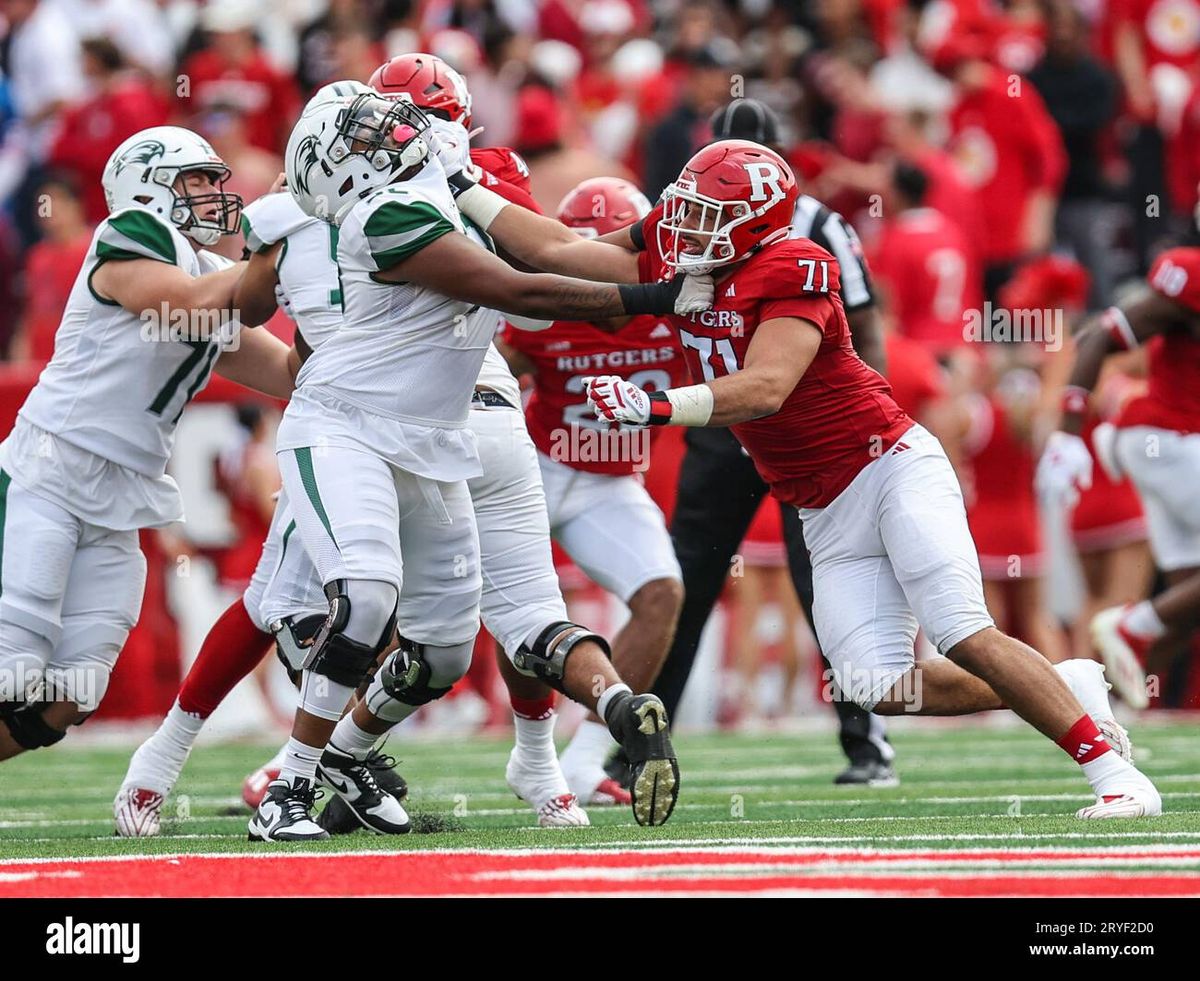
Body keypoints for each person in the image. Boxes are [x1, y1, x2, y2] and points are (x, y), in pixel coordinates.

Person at [447, 137, 1163, 819]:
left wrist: (656, 405)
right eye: (684, 210)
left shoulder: (795, 265)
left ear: (754, 221)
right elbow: (557, 250)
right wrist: (460, 186)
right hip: (821, 505)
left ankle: (1116, 773)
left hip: (886, 469)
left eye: (705, 215)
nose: (684, 229)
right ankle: (1064, 686)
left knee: (960, 631)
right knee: (875, 684)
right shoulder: (683, 239)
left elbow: (764, 387)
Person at [241, 83, 708, 841]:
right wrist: (662, 293)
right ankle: (287, 786)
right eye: (360, 136)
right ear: (338, 173)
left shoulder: (451, 181)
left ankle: (346, 758)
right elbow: (518, 286)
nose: (390, 130)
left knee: (444, 651)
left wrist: (669, 221)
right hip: (343, 428)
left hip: (435, 441)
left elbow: (560, 250)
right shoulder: (380, 214)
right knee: (363, 594)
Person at [0, 126, 299, 760]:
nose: (216, 193)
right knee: (13, 665)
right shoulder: (132, 236)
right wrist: (276, 242)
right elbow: (188, 300)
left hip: (120, 494)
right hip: (48, 472)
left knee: (70, 693)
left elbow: (285, 369)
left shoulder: (212, 270)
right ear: (148, 186)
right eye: (196, 180)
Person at [499, 175, 687, 805]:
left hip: (611, 483)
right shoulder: (538, 313)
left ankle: (582, 761)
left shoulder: (675, 315)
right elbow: (481, 381)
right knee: (465, 614)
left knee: (660, 595)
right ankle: (312, 758)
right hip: (535, 469)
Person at [1038, 245, 1200, 709]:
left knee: (1188, 599)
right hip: (1168, 438)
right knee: (1130, 606)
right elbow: (1097, 337)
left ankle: (1105, 711)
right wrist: (1068, 435)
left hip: (1163, 443)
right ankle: (1133, 624)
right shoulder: (1189, 276)